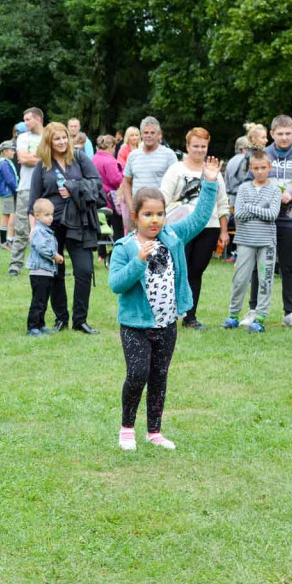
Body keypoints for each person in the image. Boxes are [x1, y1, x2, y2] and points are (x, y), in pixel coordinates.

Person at [108, 156, 221, 452]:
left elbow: (199, 218)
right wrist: (138, 261)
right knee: (137, 375)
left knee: (159, 376)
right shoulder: (125, 248)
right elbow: (116, 284)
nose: (155, 220)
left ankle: (154, 432)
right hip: (136, 325)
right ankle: (127, 429)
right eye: (148, 214)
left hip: (166, 324)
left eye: (159, 214)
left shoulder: (172, 236)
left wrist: (209, 183)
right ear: (135, 217)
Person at [240, 116, 292, 331]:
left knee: (290, 267)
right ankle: (254, 309)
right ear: (272, 134)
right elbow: (248, 183)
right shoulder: (263, 156)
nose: (284, 137)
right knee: (260, 266)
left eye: (288, 133)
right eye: (279, 133)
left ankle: (290, 313)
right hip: (262, 222)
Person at [27, 122, 103, 334]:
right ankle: (61, 318)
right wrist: (34, 230)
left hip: (79, 222)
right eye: (56, 139)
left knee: (84, 270)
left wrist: (74, 188)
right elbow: (33, 200)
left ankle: (80, 319)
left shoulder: (78, 157)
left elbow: (97, 183)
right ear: (49, 142)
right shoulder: (42, 165)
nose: (61, 142)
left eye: (64, 138)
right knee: (55, 272)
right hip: (52, 227)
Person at [159, 128, 230, 330]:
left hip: (209, 227)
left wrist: (224, 231)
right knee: (177, 270)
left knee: (196, 271)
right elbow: (163, 198)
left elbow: (222, 203)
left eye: (203, 146)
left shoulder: (213, 170)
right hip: (179, 228)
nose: (199, 150)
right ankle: (169, 313)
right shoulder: (176, 170)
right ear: (187, 146)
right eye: (195, 146)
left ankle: (190, 317)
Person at [222, 151, 280, 333]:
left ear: (269, 167)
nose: (260, 171)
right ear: (251, 169)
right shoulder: (244, 188)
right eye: (256, 168)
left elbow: (272, 215)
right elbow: (238, 213)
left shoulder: (275, 190)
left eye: (263, 167)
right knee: (240, 278)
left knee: (265, 279)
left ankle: (260, 317)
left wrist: (250, 207)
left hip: (266, 242)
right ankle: (233, 315)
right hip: (245, 240)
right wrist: (260, 208)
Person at [8, 108, 45, 276]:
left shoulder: (48, 136)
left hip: (46, 187)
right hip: (25, 187)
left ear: (38, 119)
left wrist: (34, 157)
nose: (25, 123)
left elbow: (53, 160)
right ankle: (15, 265)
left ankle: (47, 261)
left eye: (28, 119)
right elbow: (23, 159)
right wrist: (42, 158)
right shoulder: (23, 137)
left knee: (48, 226)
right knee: (22, 227)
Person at [120, 117, 177, 209]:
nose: (149, 135)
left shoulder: (169, 155)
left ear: (159, 135)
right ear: (141, 135)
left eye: (152, 133)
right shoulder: (132, 156)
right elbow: (126, 182)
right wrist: (131, 207)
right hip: (138, 210)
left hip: (161, 210)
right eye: (146, 132)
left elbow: (176, 183)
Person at [26, 199, 62, 336]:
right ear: (36, 216)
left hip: (47, 272)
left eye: (51, 214)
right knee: (38, 301)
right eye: (47, 215)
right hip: (39, 271)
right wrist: (55, 256)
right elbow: (42, 248)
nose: (51, 218)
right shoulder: (39, 231)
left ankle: (41, 325)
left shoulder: (47, 231)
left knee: (44, 300)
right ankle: (32, 327)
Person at [92, 134, 124, 260]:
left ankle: (101, 254)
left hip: (97, 200)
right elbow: (116, 180)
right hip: (110, 200)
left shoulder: (94, 158)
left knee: (103, 226)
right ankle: (118, 254)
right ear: (112, 146)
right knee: (118, 227)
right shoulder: (110, 160)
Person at [0, 140, 18, 249]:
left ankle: (4, 241)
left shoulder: (5, 162)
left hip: (7, 192)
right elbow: (9, 180)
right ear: (4, 152)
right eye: (11, 150)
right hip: (8, 192)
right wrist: (16, 190)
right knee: (9, 215)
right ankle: (6, 241)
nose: (14, 152)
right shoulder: (4, 164)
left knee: (6, 215)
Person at [224, 136, 250, 206]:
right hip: (242, 200)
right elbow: (245, 179)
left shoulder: (231, 161)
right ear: (244, 149)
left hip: (231, 199)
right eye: (250, 149)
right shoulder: (244, 160)